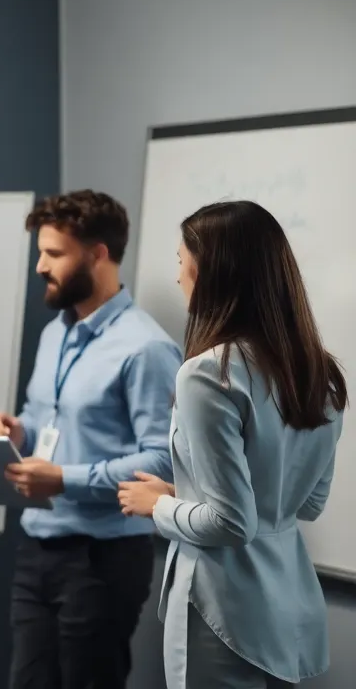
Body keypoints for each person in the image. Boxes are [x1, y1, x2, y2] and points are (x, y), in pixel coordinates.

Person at [117, 200, 346, 689]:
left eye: (181, 261)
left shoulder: (208, 373)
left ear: (210, 271)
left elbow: (232, 522)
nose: (178, 276)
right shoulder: (320, 373)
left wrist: (160, 504)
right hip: (288, 604)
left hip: (222, 609)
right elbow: (308, 502)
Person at [0, 189, 182, 689]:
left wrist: (64, 480)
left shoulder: (147, 348)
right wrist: (20, 430)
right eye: (40, 253)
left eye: (53, 254)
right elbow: (46, 414)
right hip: (37, 545)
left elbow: (162, 461)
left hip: (103, 558)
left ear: (98, 254)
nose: (40, 267)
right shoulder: (56, 332)